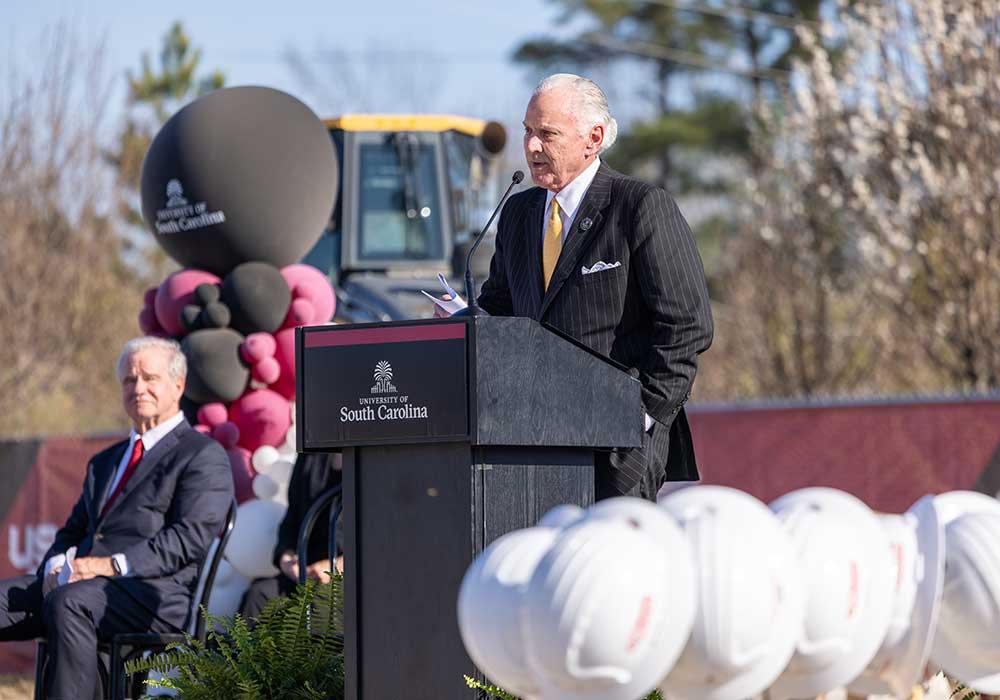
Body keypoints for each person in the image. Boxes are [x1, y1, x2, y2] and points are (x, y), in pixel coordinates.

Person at [467, 73, 714, 501]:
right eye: (528, 131)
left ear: (593, 137)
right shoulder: (517, 212)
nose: (531, 147)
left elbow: (688, 326)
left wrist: (642, 415)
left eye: (547, 134)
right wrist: (463, 319)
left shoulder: (638, 206)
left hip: (617, 445)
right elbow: (500, 310)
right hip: (528, 440)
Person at [0, 337, 233, 699]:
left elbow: (189, 537)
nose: (138, 388)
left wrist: (110, 566)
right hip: (83, 586)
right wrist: (53, 567)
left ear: (178, 385)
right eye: (129, 380)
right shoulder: (105, 461)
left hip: (155, 594)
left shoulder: (201, 456)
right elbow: (73, 531)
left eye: (149, 378)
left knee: (71, 603)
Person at [239, 452, 343, 619]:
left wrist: (337, 566)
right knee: (259, 596)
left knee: (320, 607)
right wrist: (287, 557)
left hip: (352, 576)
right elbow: (292, 518)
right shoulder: (311, 456)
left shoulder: (377, 458)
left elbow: (386, 540)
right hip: (305, 572)